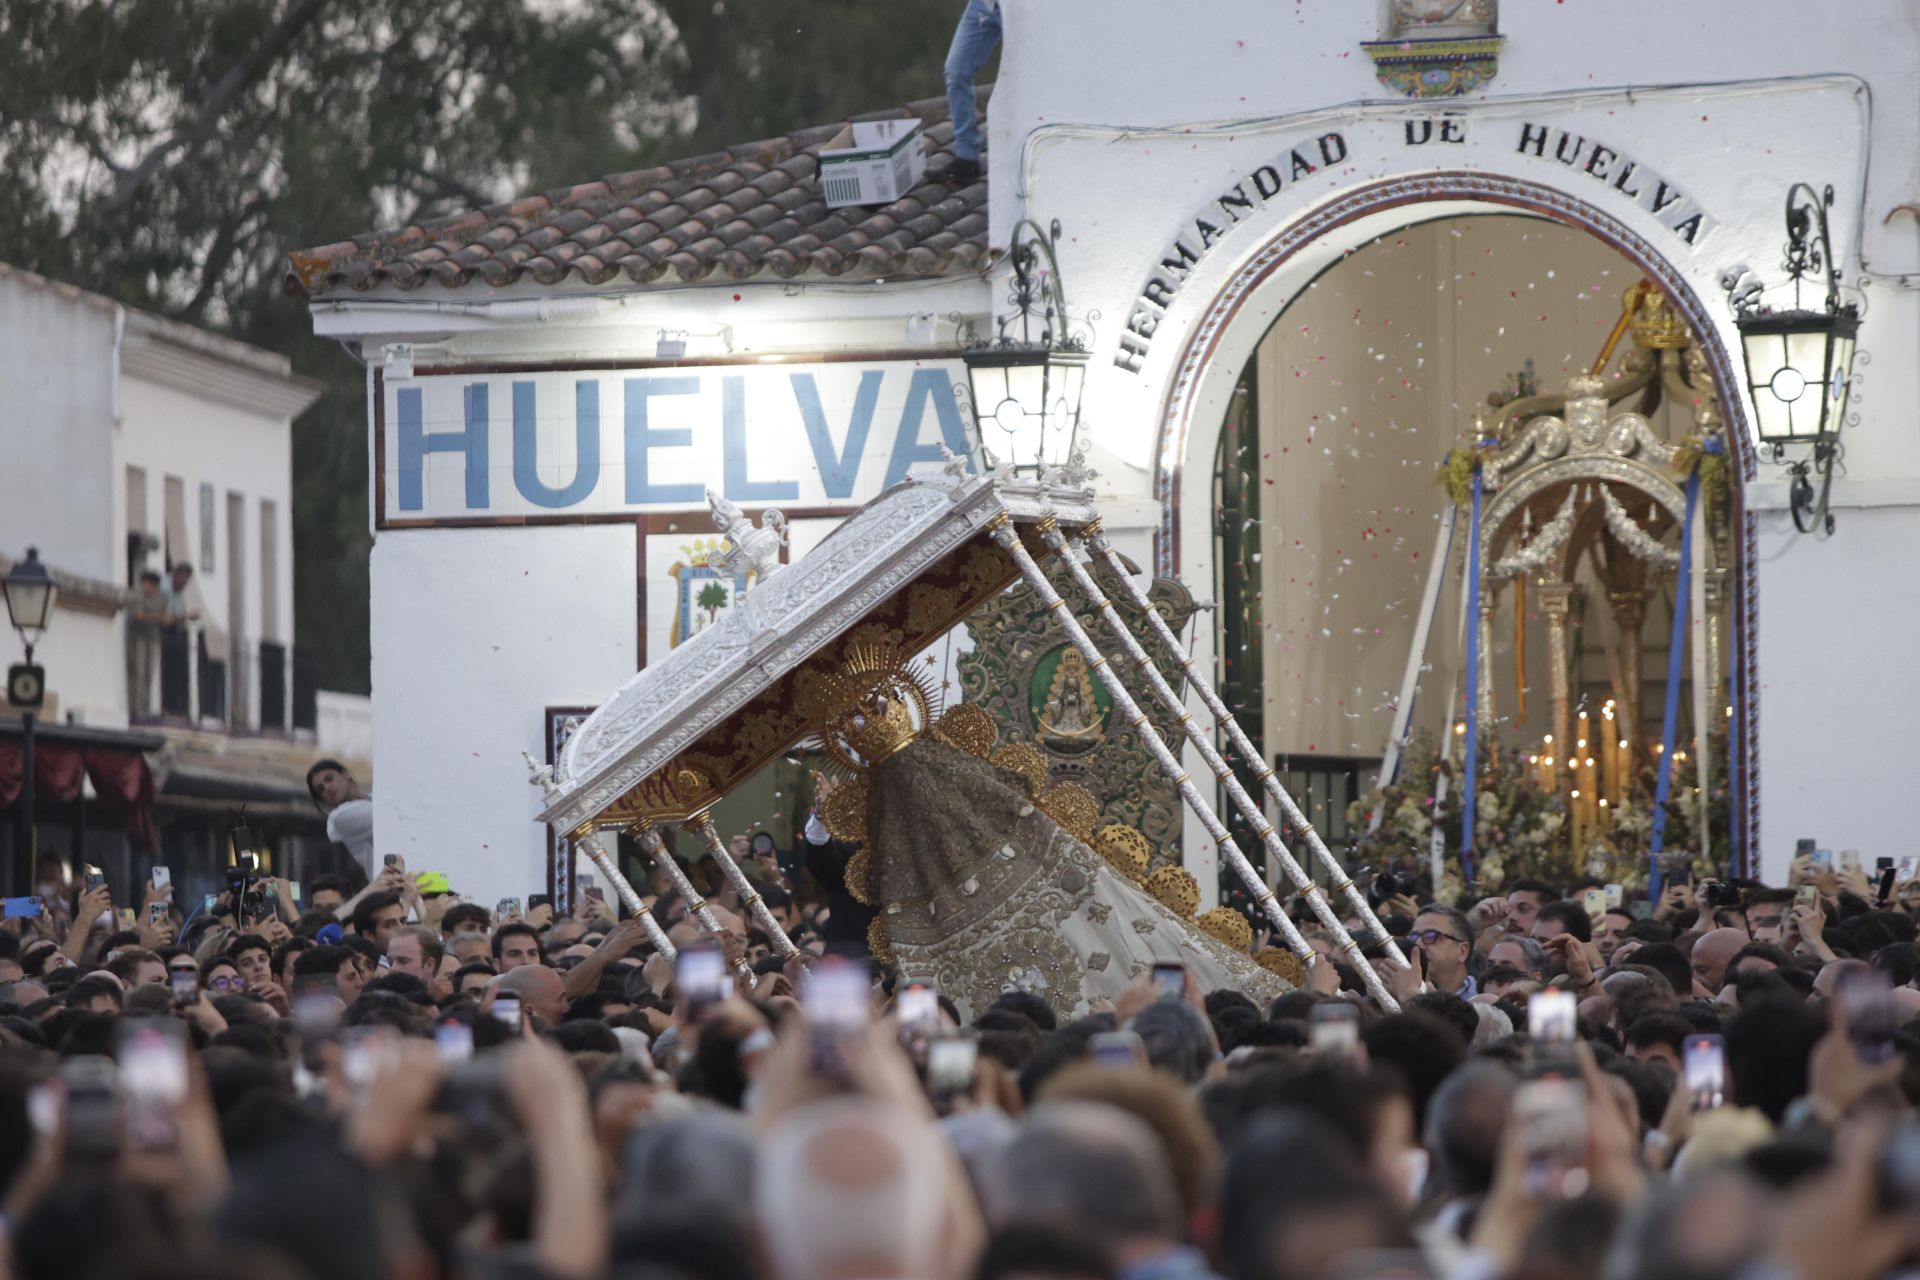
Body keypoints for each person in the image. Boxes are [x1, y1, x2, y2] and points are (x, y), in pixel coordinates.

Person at [940, 0, 1001, 186]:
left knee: (1025, 75)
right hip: (984, 5)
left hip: (1023, 7)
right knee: (956, 71)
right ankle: (967, 157)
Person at [307, 759, 374, 878]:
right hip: (392, 887)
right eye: (321, 789)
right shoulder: (340, 817)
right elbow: (389, 817)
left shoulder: (373, 799)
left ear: (345, 774)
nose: (327, 787)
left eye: (329, 779)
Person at [125, 569, 166, 718]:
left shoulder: (162, 597)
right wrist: (157, 616)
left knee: (149, 673)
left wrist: (152, 616)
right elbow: (138, 616)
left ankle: (145, 707)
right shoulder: (138, 596)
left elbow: (167, 618)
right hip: (138, 638)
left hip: (153, 639)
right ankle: (135, 708)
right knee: (138, 672)